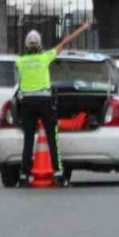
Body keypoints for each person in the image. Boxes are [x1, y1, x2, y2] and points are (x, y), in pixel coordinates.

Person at [15, 21, 92, 188]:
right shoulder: (45, 57)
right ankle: (58, 174)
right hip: (44, 100)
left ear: (26, 45)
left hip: (27, 102)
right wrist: (83, 28)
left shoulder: (20, 62)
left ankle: (24, 175)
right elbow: (65, 42)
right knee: (52, 137)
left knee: (28, 139)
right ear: (40, 44)